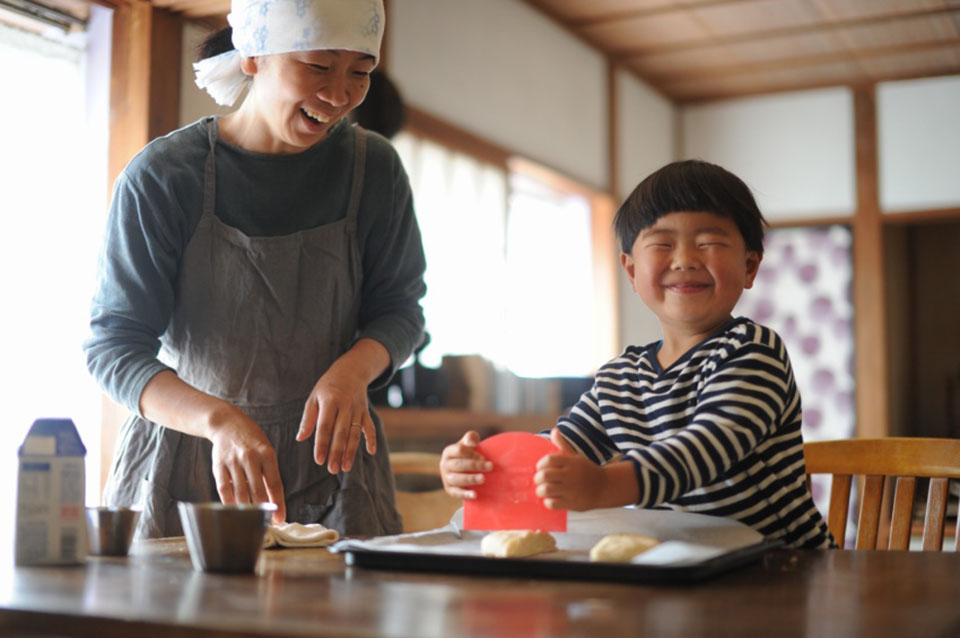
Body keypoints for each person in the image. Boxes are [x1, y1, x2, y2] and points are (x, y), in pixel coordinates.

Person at [85, 0, 426, 539]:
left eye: (359, 72)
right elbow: (113, 347)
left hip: (333, 463)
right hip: (185, 464)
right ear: (254, 58)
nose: (339, 94)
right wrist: (218, 421)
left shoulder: (375, 170)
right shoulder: (163, 176)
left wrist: (353, 371)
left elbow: (401, 311)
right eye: (318, 66)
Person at [440, 160, 835, 549]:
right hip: (690, 567)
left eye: (709, 242)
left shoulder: (752, 352)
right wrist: (485, 467)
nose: (685, 260)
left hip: (786, 571)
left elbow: (704, 449)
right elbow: (561, 446)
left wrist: (603, 486)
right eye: (662, 243)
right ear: (631, 271)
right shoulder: (621, 376)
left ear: (750, 265)